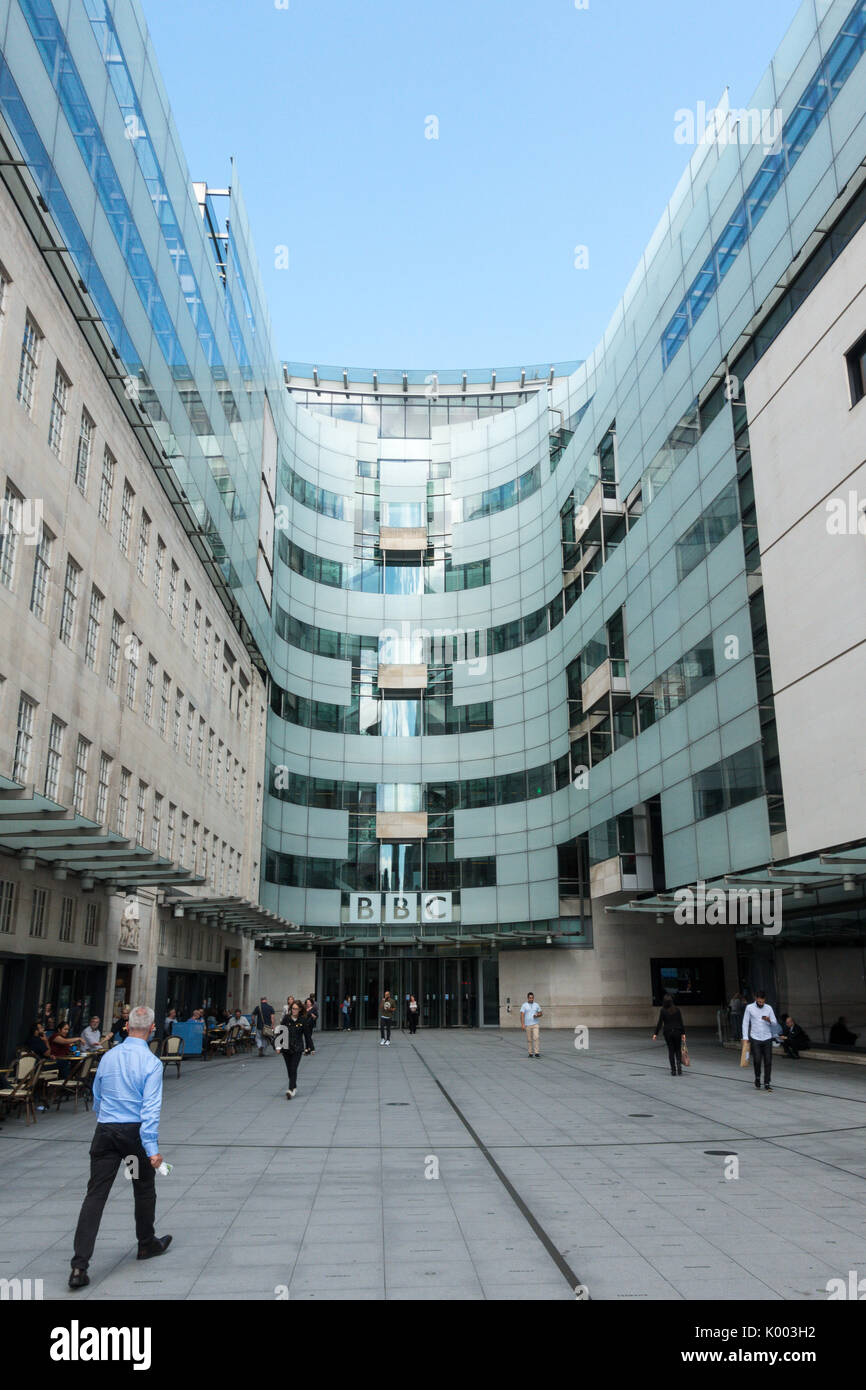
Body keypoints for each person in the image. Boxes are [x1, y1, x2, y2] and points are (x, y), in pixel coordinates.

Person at [68, 1004, 171, 1289]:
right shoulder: (151, 1063)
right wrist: (152, 1150)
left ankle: (79, 1265)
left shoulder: (109, 1057)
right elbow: (150, 1109)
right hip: (132, 1135)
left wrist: (105, 1119)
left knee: (96, 1194)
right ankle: (146, 1242)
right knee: (142, 1186)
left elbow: (97, 1094)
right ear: (152, 1029)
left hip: (106, 1132)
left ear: (126, 1027)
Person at [742, 988, 778, 1091]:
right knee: (757, 1060)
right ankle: (757, 1077)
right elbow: (745, 1023)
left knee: (768, 1061)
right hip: (755, 1038)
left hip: (767, 1038)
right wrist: (745, 1037)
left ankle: (767, 1082)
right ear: (756, 998)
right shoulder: (749, 1008)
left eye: (762, 1002)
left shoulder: (769, 1008)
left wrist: (769, 1020)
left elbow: (775, 1023)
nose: (761, 1003)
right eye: (759, 1001)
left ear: (765, 1000)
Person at [278, 1000, 306, 1098]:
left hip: (297, 1048)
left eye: (296, 1009)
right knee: (289, 1069)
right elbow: (280, 1032)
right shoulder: (286, 1018)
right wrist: (278, 1046)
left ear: (300, 1010)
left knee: (293, 1068)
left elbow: (307, 1035)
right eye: (292, 1008)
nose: (294, 1010)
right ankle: (294, 1086)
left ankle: (290, 1090)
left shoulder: (302, 1020)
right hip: (286, 1048)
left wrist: (311, 1048)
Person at [653, 995, 687, 1076]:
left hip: (668, 1032)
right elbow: (681, 1022)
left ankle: (673, 1070)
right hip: (677, 1031)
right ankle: (679, 1064)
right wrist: (683, 1033)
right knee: (678, 1049)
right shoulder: (677, 1010)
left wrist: (655, 1033)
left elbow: (660, 1023)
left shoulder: (663, 1010)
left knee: (671, 1050)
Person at [520, 992, 542, 1058]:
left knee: (536, 1037)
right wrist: (522, 1024)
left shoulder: (536, 1005)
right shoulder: (524, 1005)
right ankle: (530, 1053)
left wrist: (537, 1015)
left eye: (532, 998)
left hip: (535, 1024)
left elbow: (541, 1013)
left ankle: (537, 1052)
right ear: (528, 998)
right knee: (529, 1039)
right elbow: (522, 1015)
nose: (531, 999)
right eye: (530, 998)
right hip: (528, 1025)